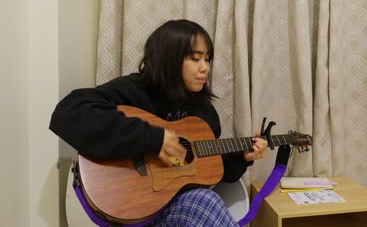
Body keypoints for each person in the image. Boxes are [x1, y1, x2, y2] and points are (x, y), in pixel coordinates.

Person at [49, 19, 268, 226]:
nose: (205, 68)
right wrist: (155, 139)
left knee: (203, 198)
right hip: (129, 210)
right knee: (203, 201)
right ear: (169, 58)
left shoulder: (205, 114)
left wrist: (242, 157)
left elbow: (212, 172)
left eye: (208, 58)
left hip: (177, 210)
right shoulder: (134, 90)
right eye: (195, 58)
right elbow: (68, 113)